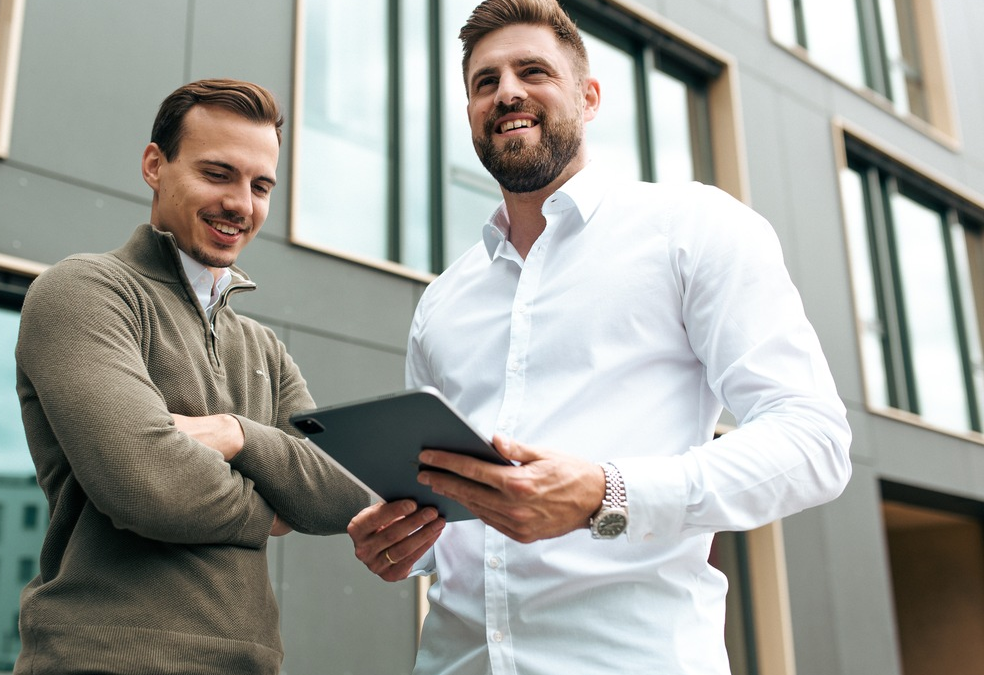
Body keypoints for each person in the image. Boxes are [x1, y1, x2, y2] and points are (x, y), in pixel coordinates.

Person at [347, 1, 853, 673]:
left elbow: (815, 441)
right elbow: (452, 497)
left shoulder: (694, 228)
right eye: (484, 81)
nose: (508, 92)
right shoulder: (443, 302)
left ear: (589, 97)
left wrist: (606, 492)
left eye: (533, 70)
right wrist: (408, 538)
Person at [13, 78, 369, 675]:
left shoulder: (264, 348)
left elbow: (343, 490)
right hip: (103, 660)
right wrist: (272, 509)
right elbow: (143, 484)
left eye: (260, 186)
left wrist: (237, 436)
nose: (241, 203)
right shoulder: (87, 292)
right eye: (217, 174)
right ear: (155, 165)